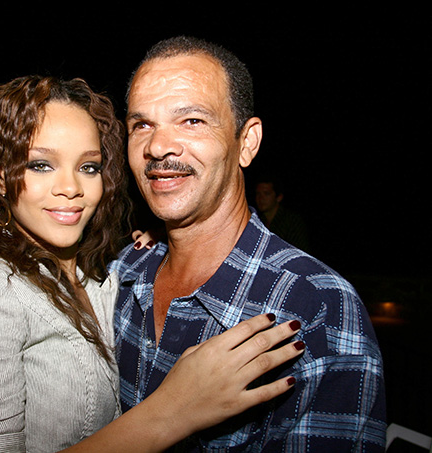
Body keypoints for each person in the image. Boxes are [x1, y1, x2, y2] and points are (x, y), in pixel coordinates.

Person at [0, 75, 306, 452]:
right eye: (40, 164)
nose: (70, 188)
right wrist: (174, 411)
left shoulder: (100, 277)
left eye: (88, 167)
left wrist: (158, 242)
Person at [112, 36, 386, 451]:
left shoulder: (317, 309)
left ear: (247, 142)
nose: (157, 146)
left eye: (192, 121)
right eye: (142, 124)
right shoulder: (124, 272)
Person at [254, 176, 311, 252]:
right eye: (258, 194)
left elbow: (301, 252)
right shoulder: (257, 221)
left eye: (266, 193)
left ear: (279, 197)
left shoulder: (291, 221)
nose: (261, 198)